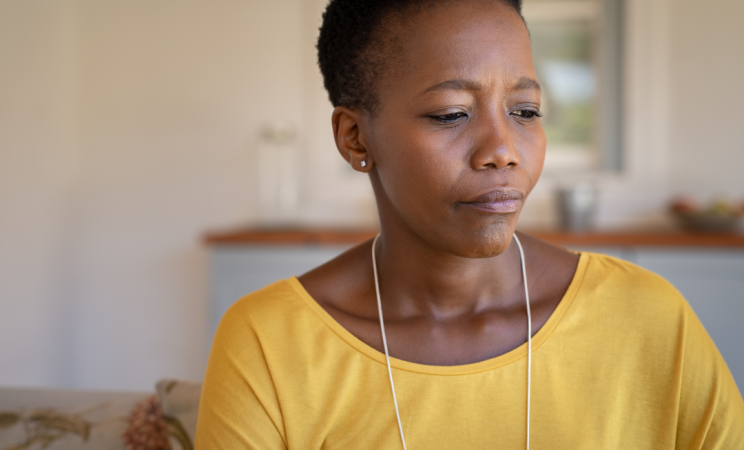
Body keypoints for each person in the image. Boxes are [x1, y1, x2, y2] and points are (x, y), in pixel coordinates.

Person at [195, 0, 744, 448]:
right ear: (355, 138)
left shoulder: (647, 318)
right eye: (451, 114)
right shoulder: (269, 344)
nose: (503, 151)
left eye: (525, 111)